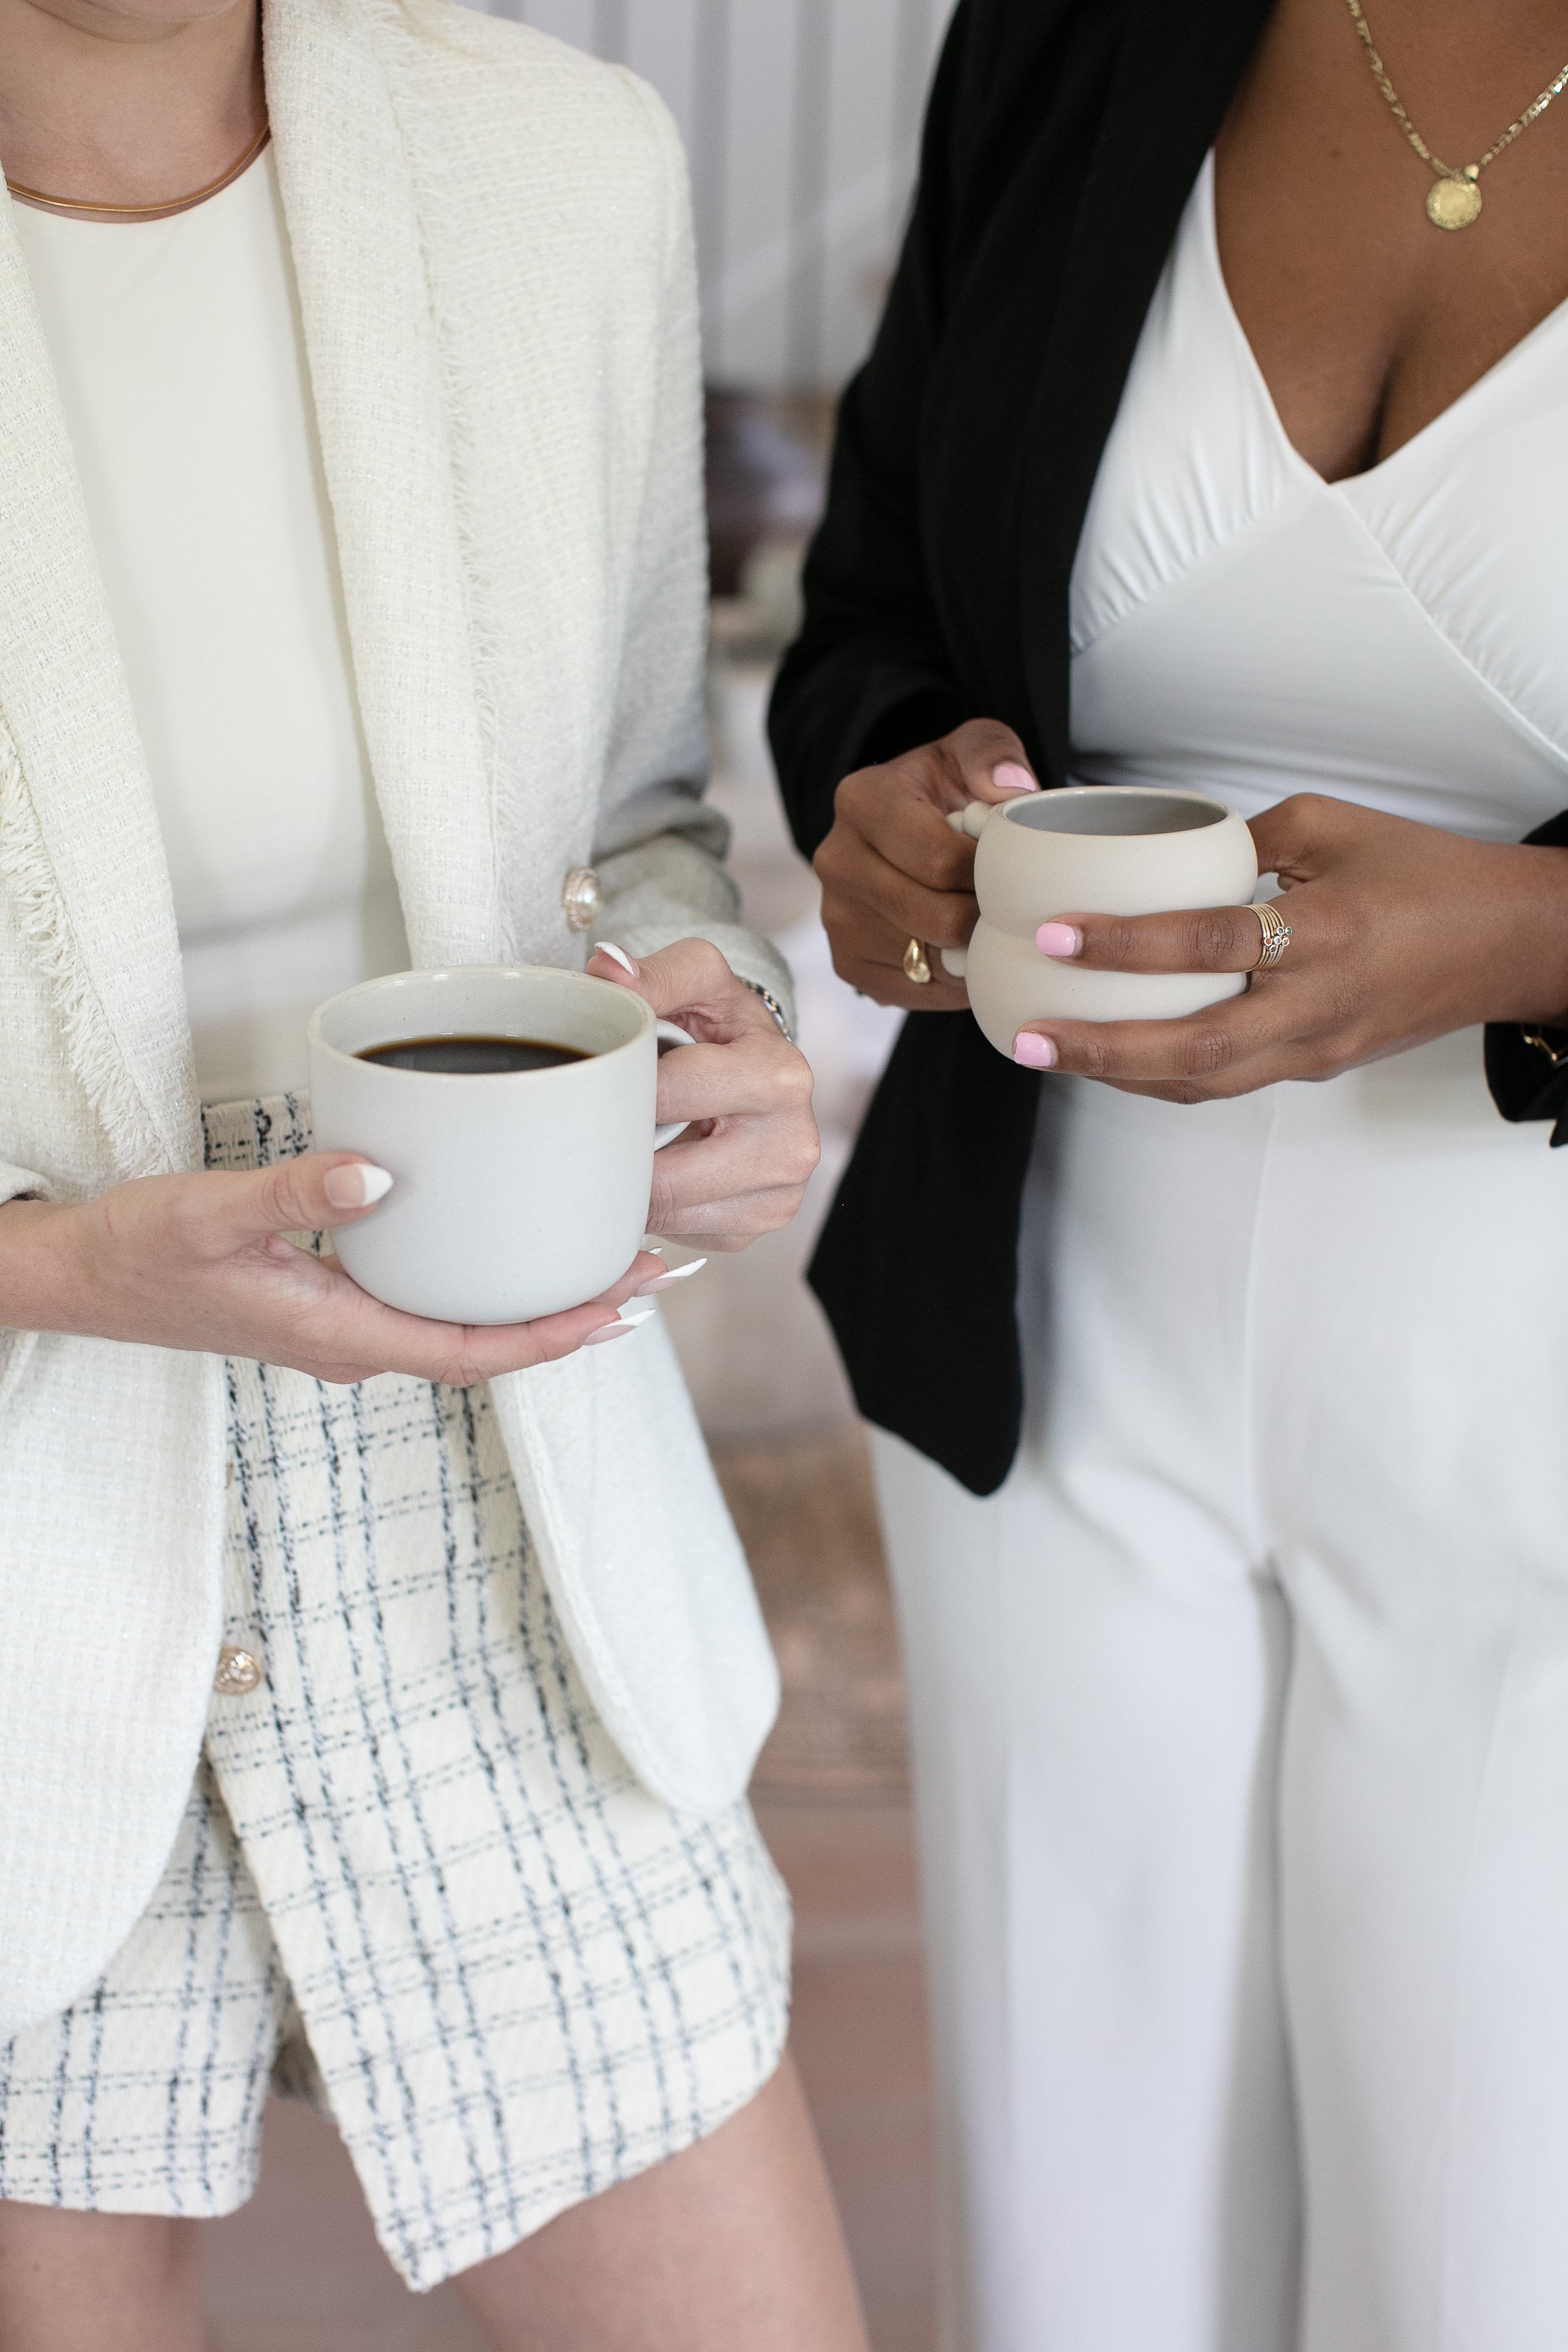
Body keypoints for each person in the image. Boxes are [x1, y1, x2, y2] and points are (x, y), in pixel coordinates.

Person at [0, 0, 870, 2345]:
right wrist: (66, 1264)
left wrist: (722, 1033)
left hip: (499, 1499)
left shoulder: (558, 168)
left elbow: (627, 824)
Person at [769, 1, 1568, 2347]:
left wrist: (1530, 930)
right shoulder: (1067, 24)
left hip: (1536, 1382)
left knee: (1490, 2248)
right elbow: (880, 605)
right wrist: (894, 805)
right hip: (1051, 1322)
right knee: (1074, 2239)